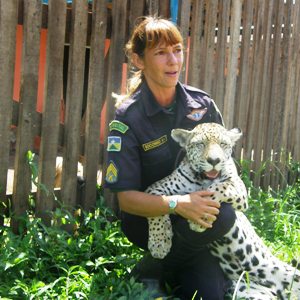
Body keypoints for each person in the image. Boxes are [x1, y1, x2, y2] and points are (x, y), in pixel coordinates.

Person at [104, 16, 236, 300]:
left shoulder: (202, 105)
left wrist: (196, 206)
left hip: (199, 220)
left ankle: (165, 266)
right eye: (161, 53)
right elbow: (126, 200)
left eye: (177, 50)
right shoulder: (128, 119)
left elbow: (225, 163)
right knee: (218, 218)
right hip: (147, 219)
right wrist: (179, 204)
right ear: (139, 60)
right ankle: (150, 269)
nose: (173, 61)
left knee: (211, 294)